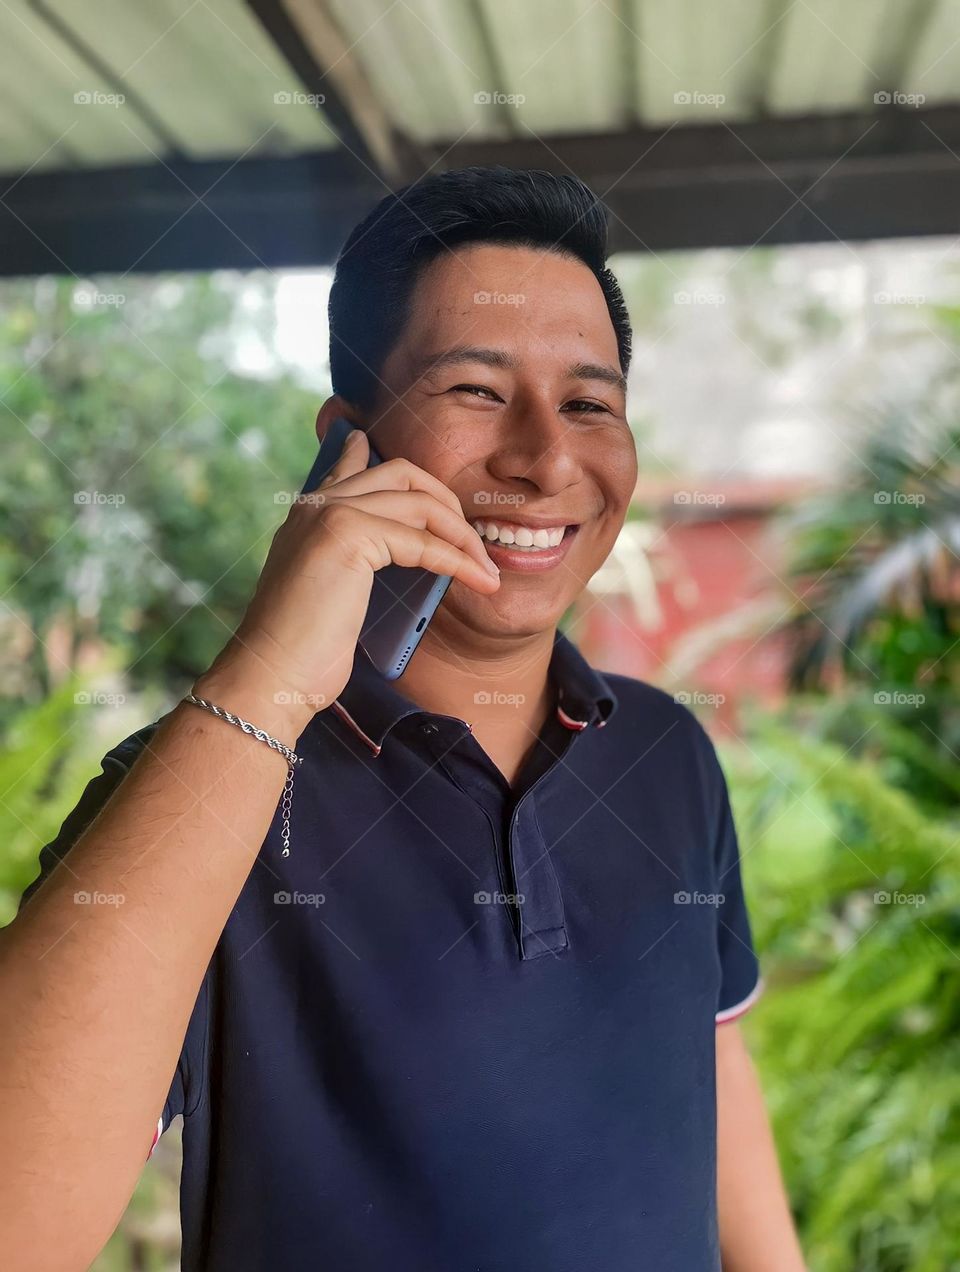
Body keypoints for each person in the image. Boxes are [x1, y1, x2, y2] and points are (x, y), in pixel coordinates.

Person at [0, 166, 806, 1271]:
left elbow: (708, 1059)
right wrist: (271, 674)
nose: (546, 457)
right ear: (349, 442)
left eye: (589, 403)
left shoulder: (666, 752)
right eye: (477, 390)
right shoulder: (203, 786)